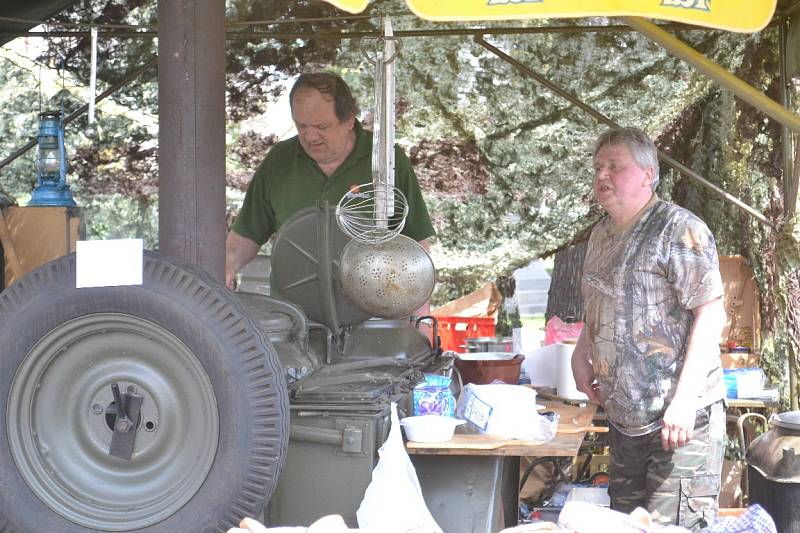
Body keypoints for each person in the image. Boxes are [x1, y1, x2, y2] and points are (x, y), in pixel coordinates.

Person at [571, 127, 728, 531]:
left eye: (615, 167)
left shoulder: (678, 229)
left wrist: (684, 401)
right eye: (598, 168)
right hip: (626, 423)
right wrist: (580, 352)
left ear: (647, 174)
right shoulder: (601, 235)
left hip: (679, 423)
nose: (602, 176)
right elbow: (600, 300)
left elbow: (711, 313)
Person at [226, 72, 435, 291]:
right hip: (292, 314)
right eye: (302, 126)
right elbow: (246, 234)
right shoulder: (279, 160)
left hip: (370, 313)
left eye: (321, 127)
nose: (310, 137)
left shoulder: (387, 160)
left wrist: (420, 321)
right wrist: (226, 270)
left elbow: (416, 247)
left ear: (349, 119)